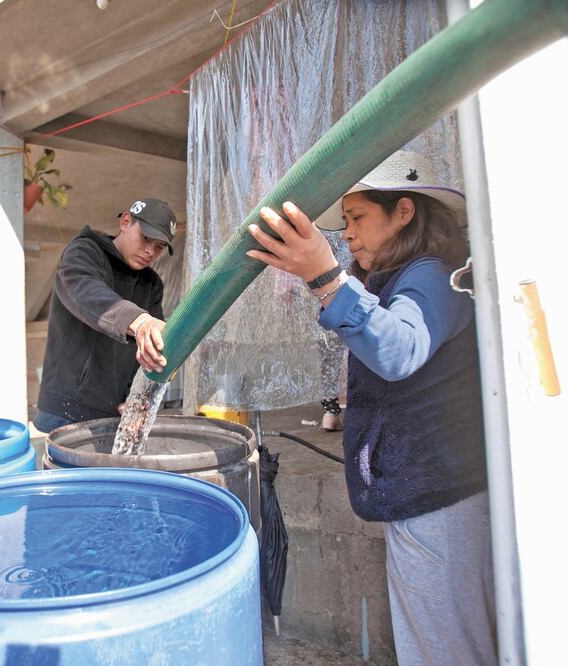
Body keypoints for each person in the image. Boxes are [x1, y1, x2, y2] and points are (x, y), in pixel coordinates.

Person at [246, 150, 496, 665]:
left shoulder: (431, 274)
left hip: (436, 498)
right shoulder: (409, 275)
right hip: (427, 491)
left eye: (357, 217)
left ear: (404, 211)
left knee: (441, 648)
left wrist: (327, 278)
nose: (348, 234)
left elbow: (400, 350)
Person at [35, 198, 175, 433]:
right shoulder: (84, 253)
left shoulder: (152, 284)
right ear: (126, 222)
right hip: (64, 409)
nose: (150, 250)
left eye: (159, 246)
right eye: (146, 238)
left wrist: (140, 397)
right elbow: (86, 292)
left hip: (115, 412)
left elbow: (151, 351)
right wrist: (140, 321)